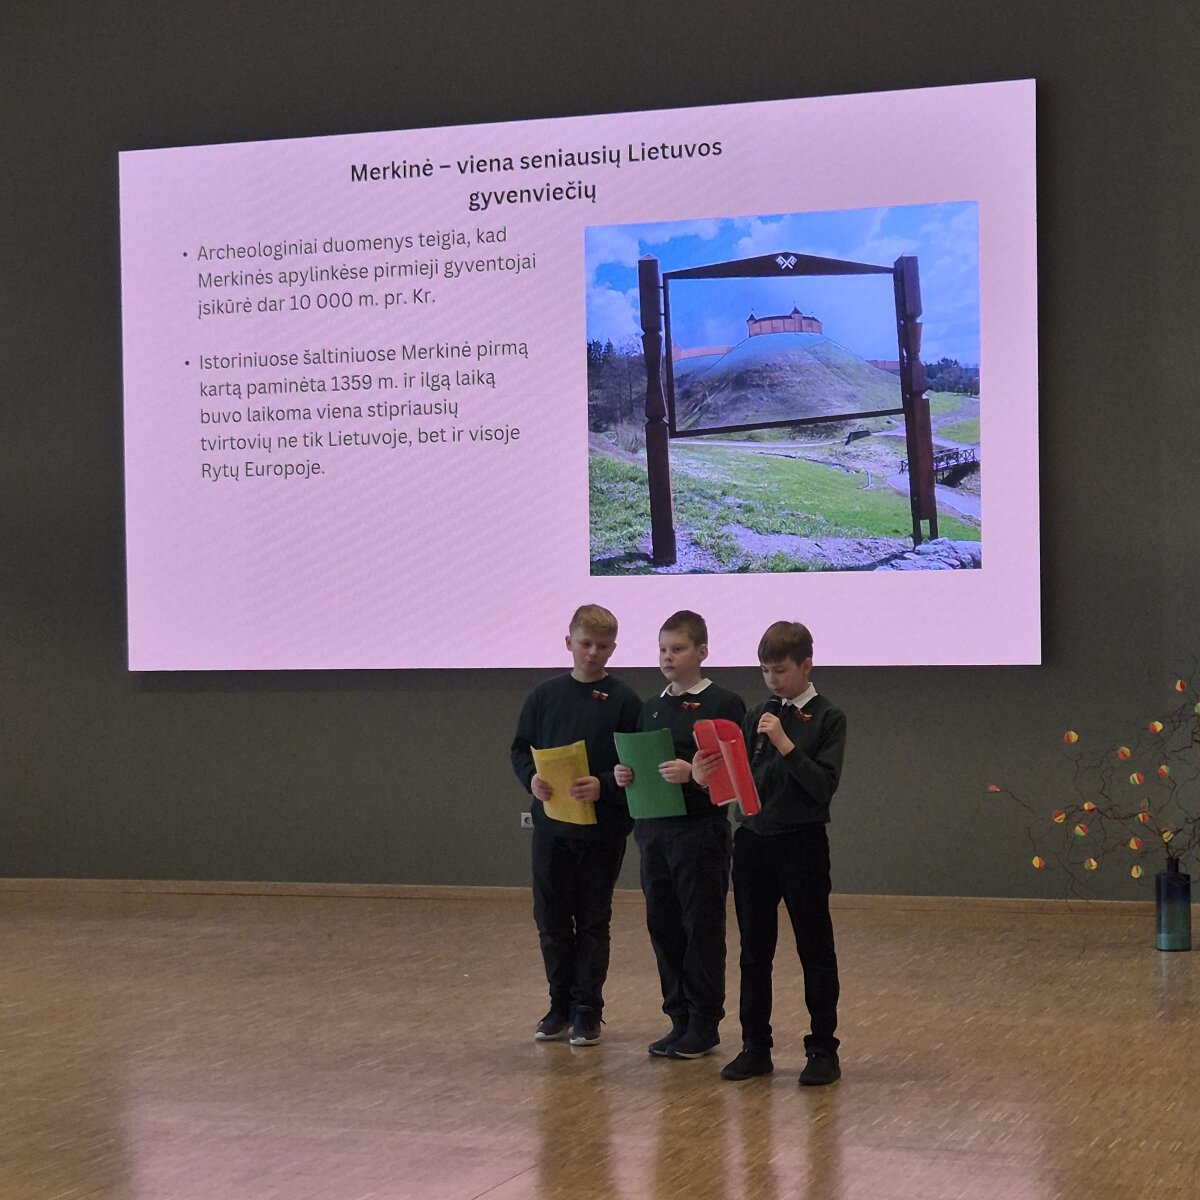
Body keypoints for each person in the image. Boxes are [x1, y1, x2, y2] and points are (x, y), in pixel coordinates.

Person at [696, 620, 846, 1086]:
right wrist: (707, 774)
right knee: (754, 951)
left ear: (806, 665)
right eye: (765, 671)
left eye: (781, 671)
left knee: (814, 947)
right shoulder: (758, 713)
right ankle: (754, 1046)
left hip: (802, 843)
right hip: (754, 842)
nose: (772, 680)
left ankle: (822, 1048)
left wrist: (784, 744)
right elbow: (740, 777)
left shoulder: (828, 717)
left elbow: (822, 787)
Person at [614, 611, 745, 1060]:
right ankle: (679, 1018)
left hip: (699, 830)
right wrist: (626, 774)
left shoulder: (724, 703)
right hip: (654, 830)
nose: (668, 657)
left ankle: (704, 1021)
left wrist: (694, 775)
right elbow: (640, 762)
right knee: (663, 924)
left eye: (678, 649)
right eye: (663, 649)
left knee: (700, 926)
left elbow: (735, 775)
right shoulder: (650, 707)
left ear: (702, 652)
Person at [511, 604, 642, 1047]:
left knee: (592, 921)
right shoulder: (544, 696)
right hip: (552, 829)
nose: (592, 653)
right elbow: (520, 749)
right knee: (551, 920)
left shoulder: (625, 702)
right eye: (585, 644)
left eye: (602, 646)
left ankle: (588, 1009)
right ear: (569, 643)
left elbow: (633, 767)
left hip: (602, 831)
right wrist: (531, 777)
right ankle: (559, 1006)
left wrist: (603, 784)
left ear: (613, 649)